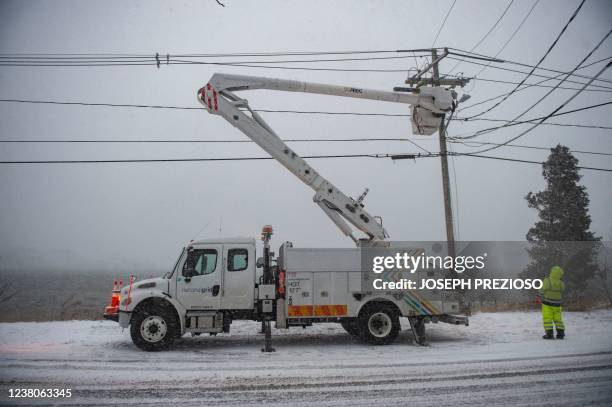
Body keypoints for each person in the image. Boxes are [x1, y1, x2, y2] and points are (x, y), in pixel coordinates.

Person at [538, 265, 565, 339]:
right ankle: (561, 334)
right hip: (558, 304)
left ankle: (549, 334)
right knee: (558, 319)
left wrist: (539, 294)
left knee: (547, 319)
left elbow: (542, 290)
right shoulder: (561, 283)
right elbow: (563, 290)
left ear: (552, 272)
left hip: (547, 303)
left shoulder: (547, 280)